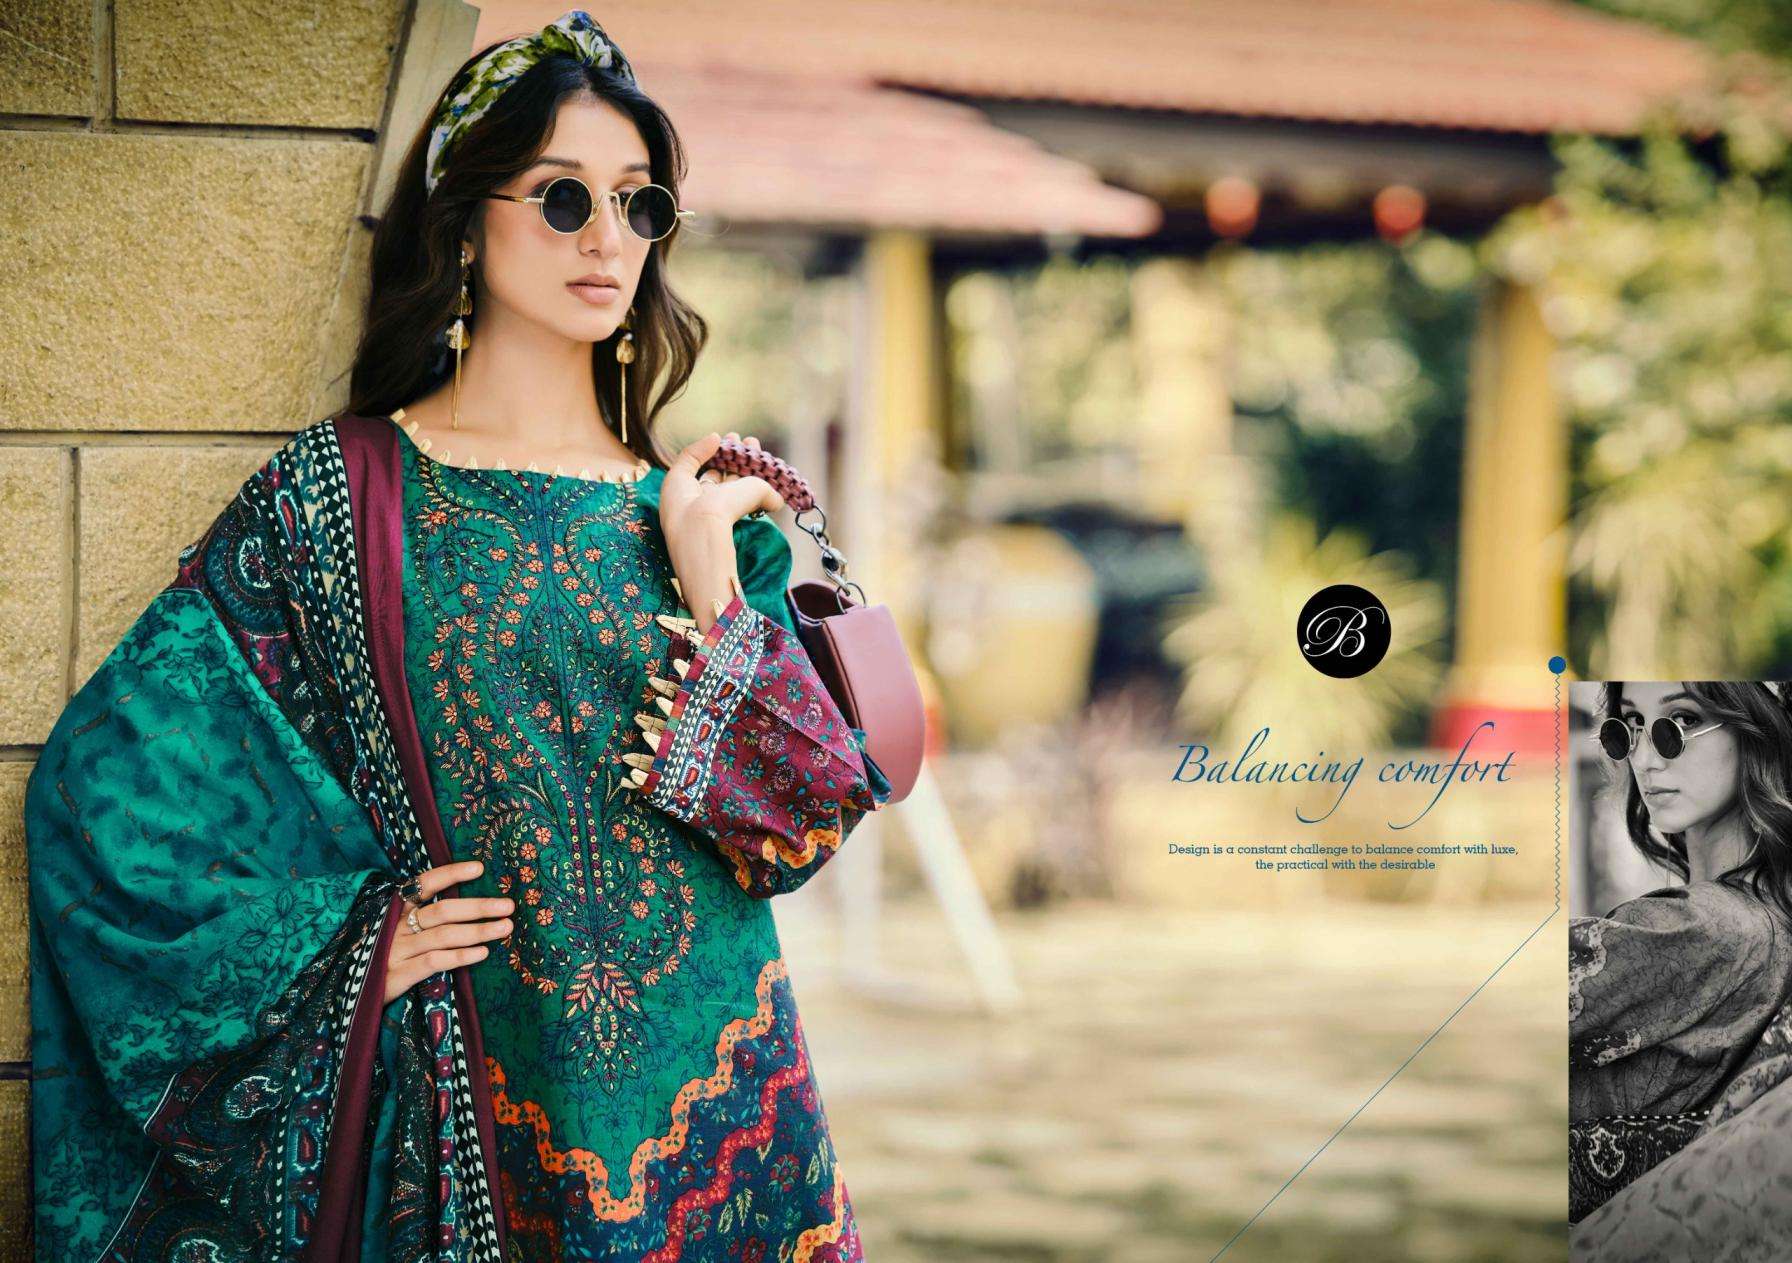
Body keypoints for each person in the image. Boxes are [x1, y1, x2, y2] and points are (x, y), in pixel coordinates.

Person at [25, 12, 890, 1261]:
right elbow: (103, 796)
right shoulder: (340, 501)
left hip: (728, 1133)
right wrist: (355, 947)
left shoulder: (700, 515)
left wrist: (710, 583)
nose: (607, 238)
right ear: (464, 223)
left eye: (640, 204)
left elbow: (799, 836)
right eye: (562, 197)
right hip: (474, 1105)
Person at [1569, 680, 1792, 1246]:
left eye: (1684, 721)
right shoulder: (1765, 916)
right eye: (1630, 726)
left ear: (1757, 730)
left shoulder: (1704, 929)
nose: (1645, 759)